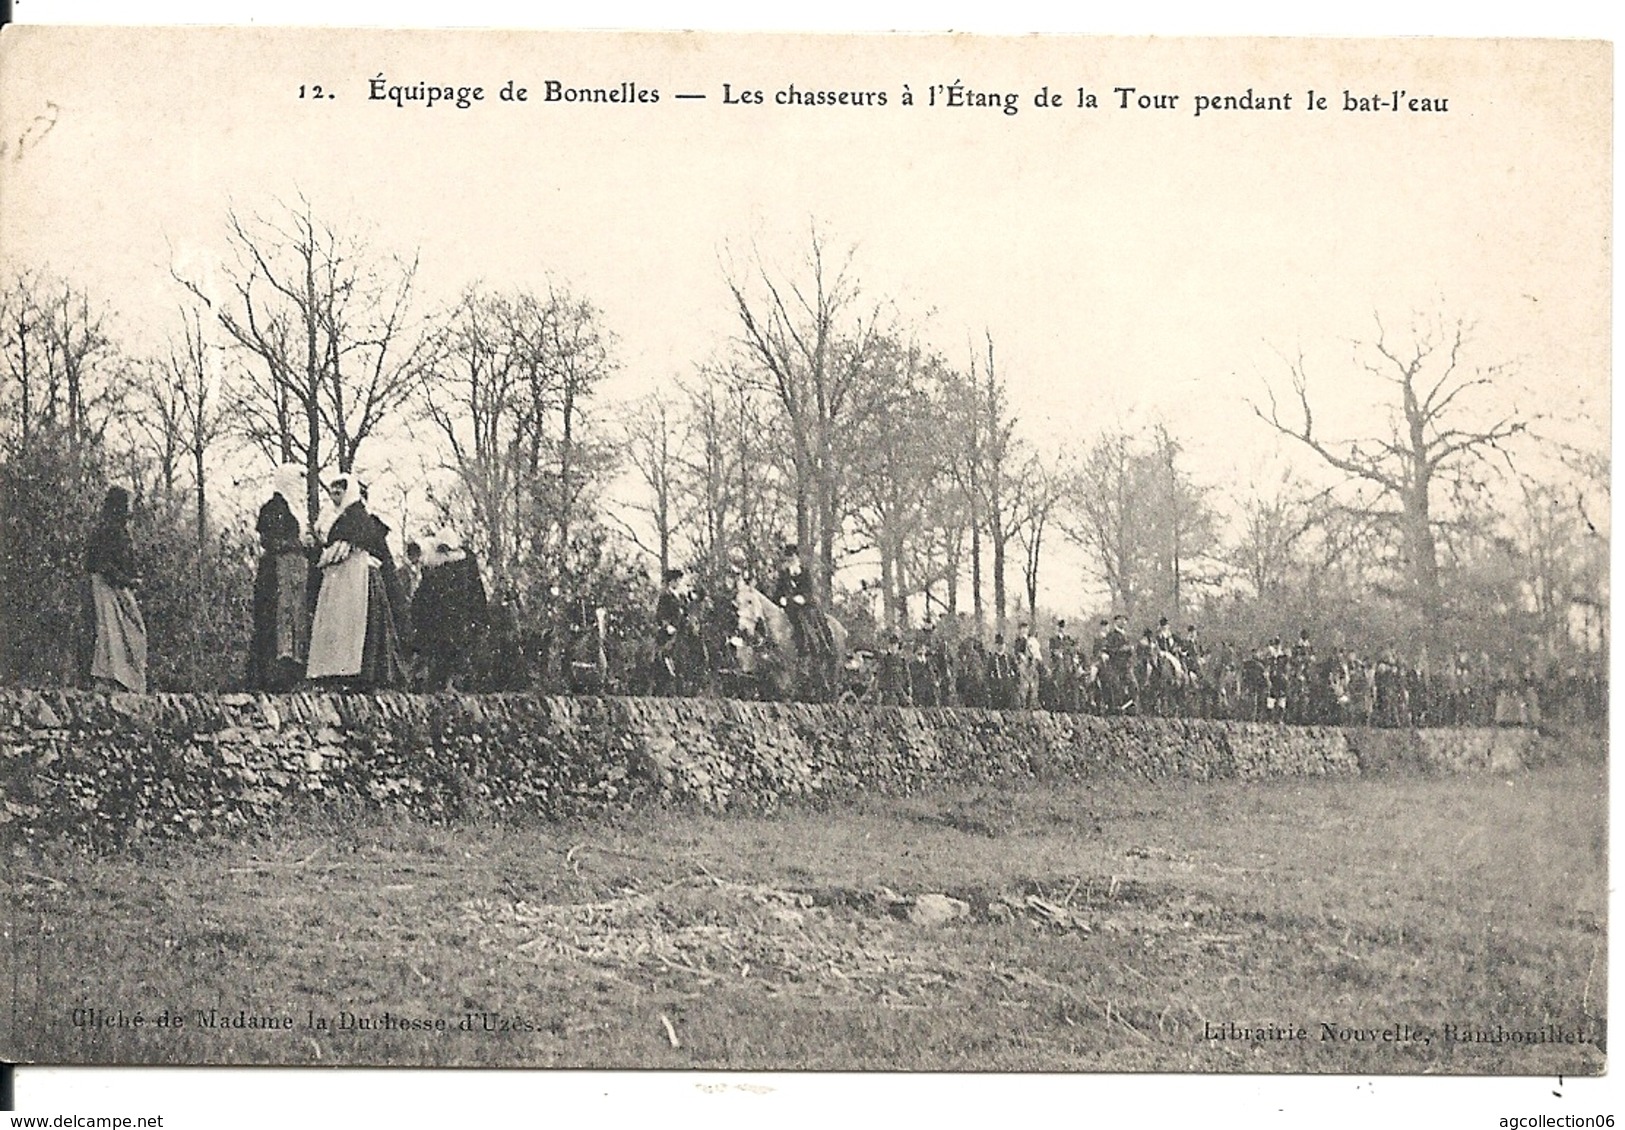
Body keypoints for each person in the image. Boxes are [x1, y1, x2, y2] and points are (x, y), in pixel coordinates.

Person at [305, 475, 408, 689]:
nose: (334, 497)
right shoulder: (338, 517)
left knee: (356, 627)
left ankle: (356, 675)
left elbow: (341, 550)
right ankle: (340, 674)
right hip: (343, 581)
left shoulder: (356, 517)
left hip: (356, 580)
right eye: (332, 492)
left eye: (338, 492)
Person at [247, 463, 310, 691]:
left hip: (295, 573)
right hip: (275, 572)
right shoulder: (273, 508)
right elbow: (267, 540)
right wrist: (292, 544)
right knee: (273, 620)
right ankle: (270, 676)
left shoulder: (296, 509)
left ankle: (291, 675)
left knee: (295, 622)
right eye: (297, 480)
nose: (301, 486)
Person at [83, 485, 147, 693]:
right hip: (105, 586)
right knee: (112, 631)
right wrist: (128, 581)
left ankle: (124, 680)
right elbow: (104, 565)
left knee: (129, 630)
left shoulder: (119, 531)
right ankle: (110, 679)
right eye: (127, 505)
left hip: (115, 584)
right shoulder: (107, 530)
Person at [411, 527, 489, 692]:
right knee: (439, 654)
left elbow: (475, 592)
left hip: (454, 618)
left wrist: (479, 617)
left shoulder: (464, 563)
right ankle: (437, 684)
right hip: (440, 619)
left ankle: (448, 684)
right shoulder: (435, 563)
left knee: (451, 654)